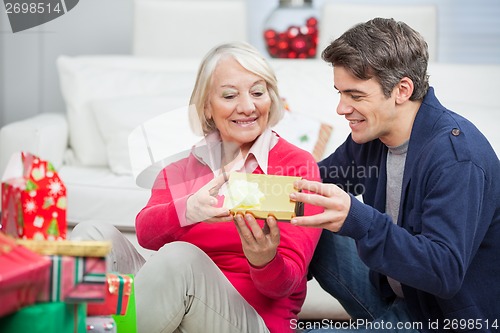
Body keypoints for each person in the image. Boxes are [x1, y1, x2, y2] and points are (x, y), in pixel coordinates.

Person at [72, 41, 323, 333]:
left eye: (257, 92)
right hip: (173, 309)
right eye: (230, 95)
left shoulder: (297, 166)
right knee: (93, 235)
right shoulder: (181, 168)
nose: (247, 106)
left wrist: (264, 259)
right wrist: (189, 210)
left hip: (251, 321)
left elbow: (287, 284)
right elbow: (146, 233)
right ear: (206, 106)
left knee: (182, 258)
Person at [289, 18, 500, 332]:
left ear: (402, 90)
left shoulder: (457, 158)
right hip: (397, 297)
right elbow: (315, 184)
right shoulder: (372, 136)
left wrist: (358, 218)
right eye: (340, 93)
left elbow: (444, 272)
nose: (341, 108)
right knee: (310, 209)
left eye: (355, 96)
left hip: (444, 319)